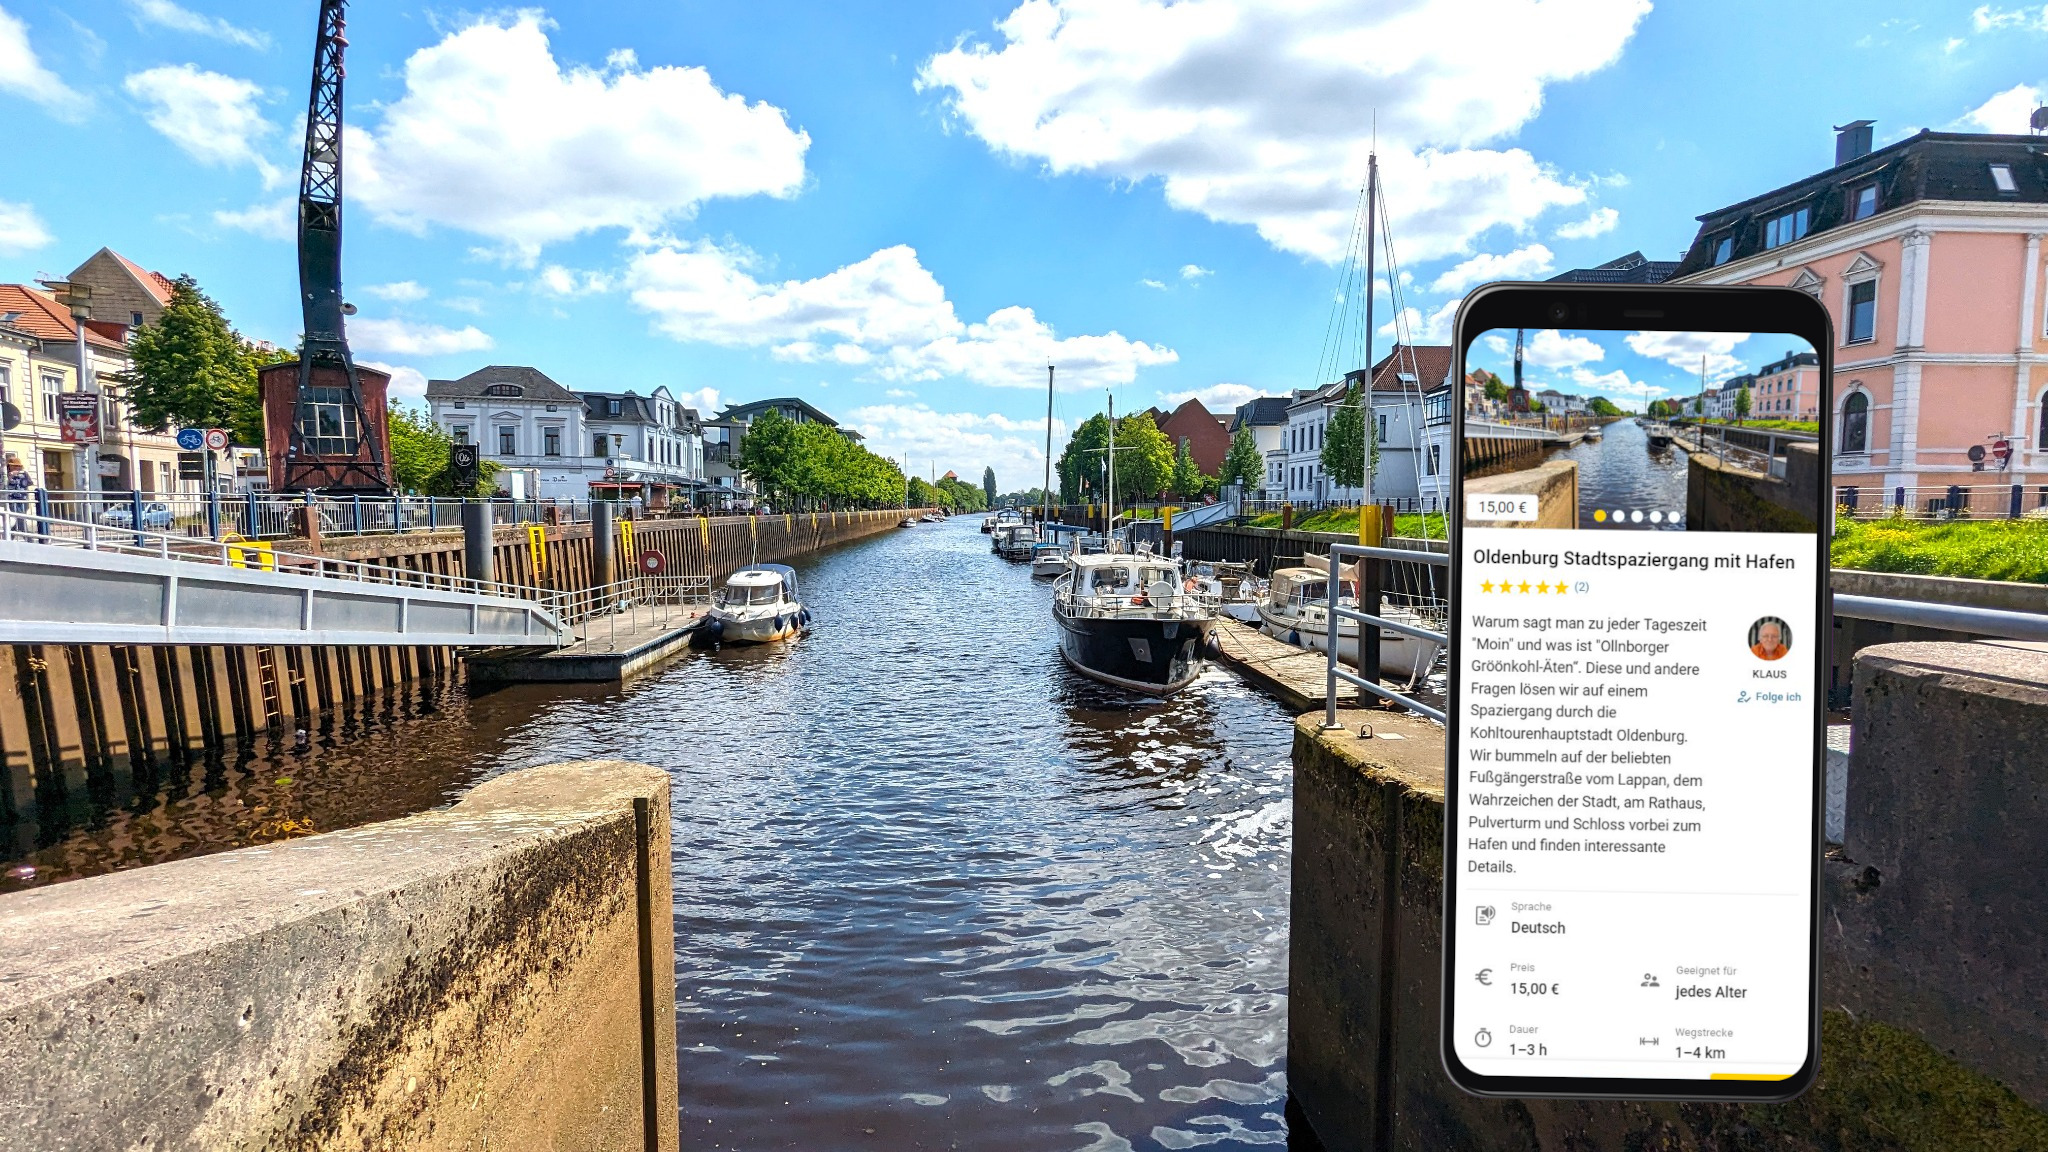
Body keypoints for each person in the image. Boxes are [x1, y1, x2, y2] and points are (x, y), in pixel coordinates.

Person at [4, 453, 30, 532]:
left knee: (19, 520)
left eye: (18, 466)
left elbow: (29, 483)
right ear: (9, 466)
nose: (16, 468)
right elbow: (4, 486)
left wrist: (22, 476)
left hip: (23, 499)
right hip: (13, 500)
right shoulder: (6, 474)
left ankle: (10, 536)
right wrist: (10, 477)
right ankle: (28, 537)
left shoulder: (24, 473)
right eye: (13, 466)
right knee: (20, 519)